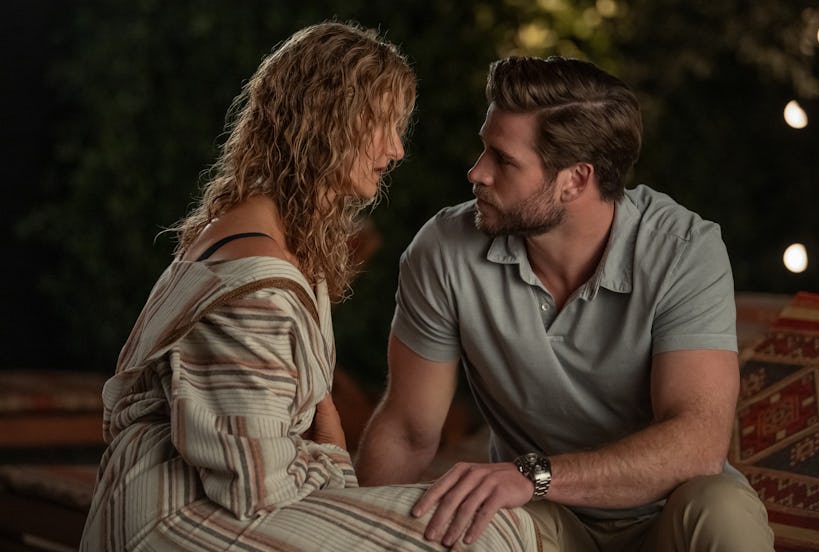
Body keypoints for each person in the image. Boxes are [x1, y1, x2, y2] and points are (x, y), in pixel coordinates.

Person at [80, 23, 540, 551]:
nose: (395, 150)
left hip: (210, 504)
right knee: (488, 532)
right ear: (327, 121)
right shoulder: (259, 282)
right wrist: (333, 448)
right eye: (383, 125)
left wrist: (327, 445)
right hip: (178, 524)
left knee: (477, 518)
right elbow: (257, 483)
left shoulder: (262, 233)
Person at [355, 55, 775, 551]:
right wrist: (345, 527)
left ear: (575, 179)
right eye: (483, 150)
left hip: (669, 509)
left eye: (503, 160)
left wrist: (534, 475)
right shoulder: (444, 250)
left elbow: (697, 444)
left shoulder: (685, 250)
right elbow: (407, 430)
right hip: (543, 519)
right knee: (468, 523)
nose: (476, 172)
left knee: (723, 511)